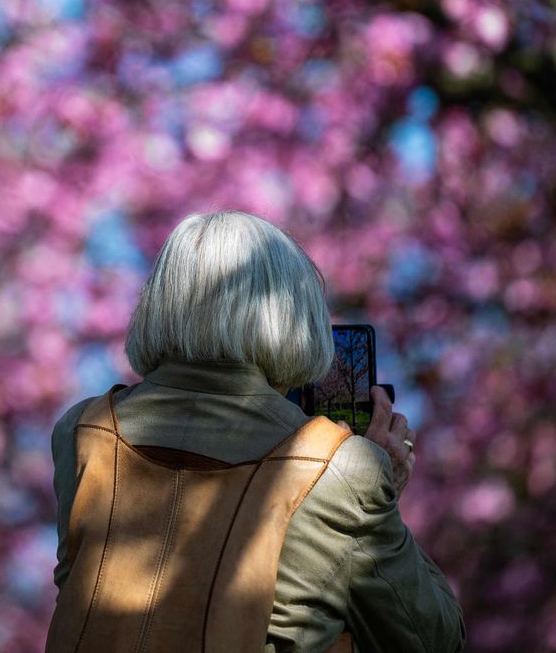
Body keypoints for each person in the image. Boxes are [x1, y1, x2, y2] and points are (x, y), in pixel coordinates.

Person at [46, 210, 465, 652]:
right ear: (295, 317)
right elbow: (432, 640)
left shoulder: (83, 432)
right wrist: (380, 484)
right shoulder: (339, 468)